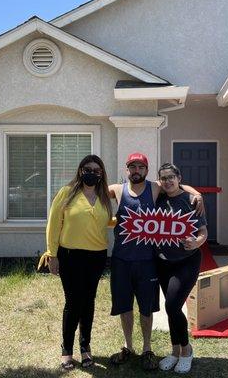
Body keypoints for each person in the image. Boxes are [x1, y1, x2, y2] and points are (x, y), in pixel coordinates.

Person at [108, 153, 204, 371]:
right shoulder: (117, 189)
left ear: (146, 170)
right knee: (125, 306)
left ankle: (148, 349)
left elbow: (177, 186)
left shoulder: (155, 188)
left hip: (148, 261)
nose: (136, 170)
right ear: (127, 170)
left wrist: (198, 194)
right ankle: (128, 346)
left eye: (140, 167)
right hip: (123, 260)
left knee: (147, 308)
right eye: (132, 166)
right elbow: (90, 192)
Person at [39, 155, 113, 371]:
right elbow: (53, 225)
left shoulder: (104, 197)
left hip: (97, 256)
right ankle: (66, 350)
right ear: (80, 171)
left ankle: (85, 347)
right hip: (70, 256)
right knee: (73, 303)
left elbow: (106, 221)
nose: (92, 172)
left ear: (101, 174)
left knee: (88, 302)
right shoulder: (67, 193)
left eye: (97, 170)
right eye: (87, 169)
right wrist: (52, 254)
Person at [155, 163, 208, 374]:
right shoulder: (157, 199)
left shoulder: (191, 200)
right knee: (171, 308)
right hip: (162, 262)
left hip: (187, 261)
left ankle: (186, 351)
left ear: (179, 178)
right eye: (163, 178)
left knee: (172, 305)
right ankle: (174, 351)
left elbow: (203, 230)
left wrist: (197, 242)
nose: (167, 181)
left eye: (171, 177)